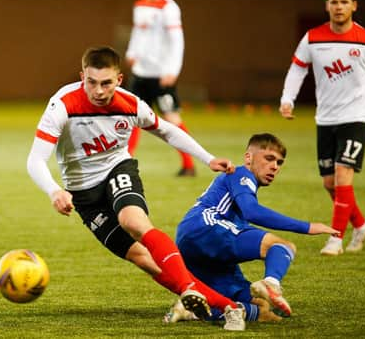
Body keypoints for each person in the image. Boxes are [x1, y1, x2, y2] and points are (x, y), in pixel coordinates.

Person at [27, 46, 246, 331]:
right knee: (141, 257)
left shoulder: (131, 104)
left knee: (133, 221)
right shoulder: (63, 105)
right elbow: (35, 159)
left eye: (106, 83)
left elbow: (166, 129)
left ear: (118, 80)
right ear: (82, 76)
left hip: (117, 170)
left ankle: (209, 300)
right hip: (83, 194)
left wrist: (208, 158)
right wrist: (54, 190)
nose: (98, 90)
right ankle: (220, 303)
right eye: (91, 82)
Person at [164, 133, 337, 324]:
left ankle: (189, 311)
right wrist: (307, 227)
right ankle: (271, 283)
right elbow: (252, 212)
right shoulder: (240, 173)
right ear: (248, 157)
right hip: (205, 227)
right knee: (282, 246)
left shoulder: (241, 189)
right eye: (269, 158)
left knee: (262, 309)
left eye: (279, 163)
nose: (274, 167)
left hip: (199, 247)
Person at [279, 0, 365, 256]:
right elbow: (297, 69)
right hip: (325, 119)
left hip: (356, 117)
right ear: (327, 6)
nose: (339, 7)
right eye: (334, 2)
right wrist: (287, 99)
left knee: (342, 176)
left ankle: (336, 239)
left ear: (354, 6)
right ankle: (360, 224)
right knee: (330, 183)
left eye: (344, 2)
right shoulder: (313, 37)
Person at [125, 0, 195, 176]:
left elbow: (177, 42)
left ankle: (189, 165)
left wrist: (172, 70)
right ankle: (124, 163)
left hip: (161, 75)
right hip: (141, 73)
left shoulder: (169, 8)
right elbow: (138, 34)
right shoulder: (140, 5)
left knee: (172, 120)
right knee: (131, 118)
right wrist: (131, 52)